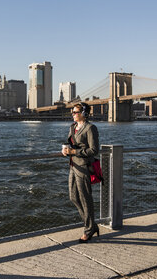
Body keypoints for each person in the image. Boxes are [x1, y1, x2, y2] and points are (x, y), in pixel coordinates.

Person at [62, 102, 100, 243]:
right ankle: (92, 225)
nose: (73, 114)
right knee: (73, 197)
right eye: (72, 112)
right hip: (73, 165)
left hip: (84, 166)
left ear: (84, 113)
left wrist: (75, 152)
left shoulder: (90, 128)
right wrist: (66, 150)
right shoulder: (73, 127)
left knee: (85, 198)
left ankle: (89, 229)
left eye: (76, 112)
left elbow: (94, 150)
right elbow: (71, 144)